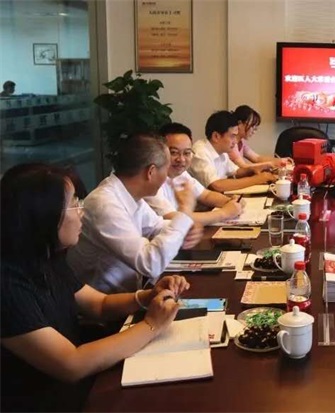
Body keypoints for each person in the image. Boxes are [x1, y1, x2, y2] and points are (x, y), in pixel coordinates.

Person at [0, 163, 189, 412]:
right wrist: (152, 325)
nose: (82, 211)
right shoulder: (8, 285)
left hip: (79, 386)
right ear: (43, 215)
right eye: (74, 203)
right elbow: (72, 364)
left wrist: (146, 296)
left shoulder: (46, 259)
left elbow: (99, 304)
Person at [67, 133, 203, 294]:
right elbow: (150, 263)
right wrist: (185, 213)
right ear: (151, 172)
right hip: (105, 304)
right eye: (166, 169)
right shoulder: (104, 204)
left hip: (131, 293)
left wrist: (185, 227)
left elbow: (156, 226)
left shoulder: (128, 193)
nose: (167, 176)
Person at [145, 122, 244, 225]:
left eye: (187, 153)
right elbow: (173, 218)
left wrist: (230, 201)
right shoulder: (151, 181)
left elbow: (206, 195)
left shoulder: (181, 174)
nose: (181, 159)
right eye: (174, 152)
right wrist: (224, 213)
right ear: (161, 152)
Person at [189, 110, 276, 193]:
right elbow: (216, 185)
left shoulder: (222, 151)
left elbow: (236, 172)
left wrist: (253, 169)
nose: (235, 142)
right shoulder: (201, 152)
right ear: (216, 136)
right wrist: (257, 179)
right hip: (203, 203)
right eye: (232, 136)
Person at [227, 105, 292, 168]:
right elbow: (243, 166)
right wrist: (271, 164)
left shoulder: (241, 142)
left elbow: (257, 158)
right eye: (252, 126)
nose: (254, 131)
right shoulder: (231, 144)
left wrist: (280, 160)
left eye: (255, 128)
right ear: (240, 123)